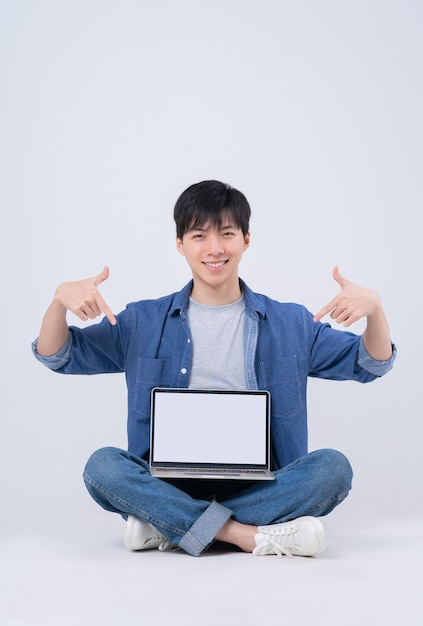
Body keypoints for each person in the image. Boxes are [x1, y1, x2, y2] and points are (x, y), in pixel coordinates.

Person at [32, 180, 396, 558]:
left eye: (226, 234)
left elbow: (370, 363)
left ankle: (168, 527)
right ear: (180, 244)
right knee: (102, 467)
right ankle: (245, 534)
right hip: (167, 484)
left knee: (332, 470)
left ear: (246, 240)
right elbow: (58, 354)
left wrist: (376, 310)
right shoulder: (143, 320)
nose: (214, 249)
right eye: (199, 235)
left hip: (260, 484)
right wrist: (59, 301)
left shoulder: (291, 323)